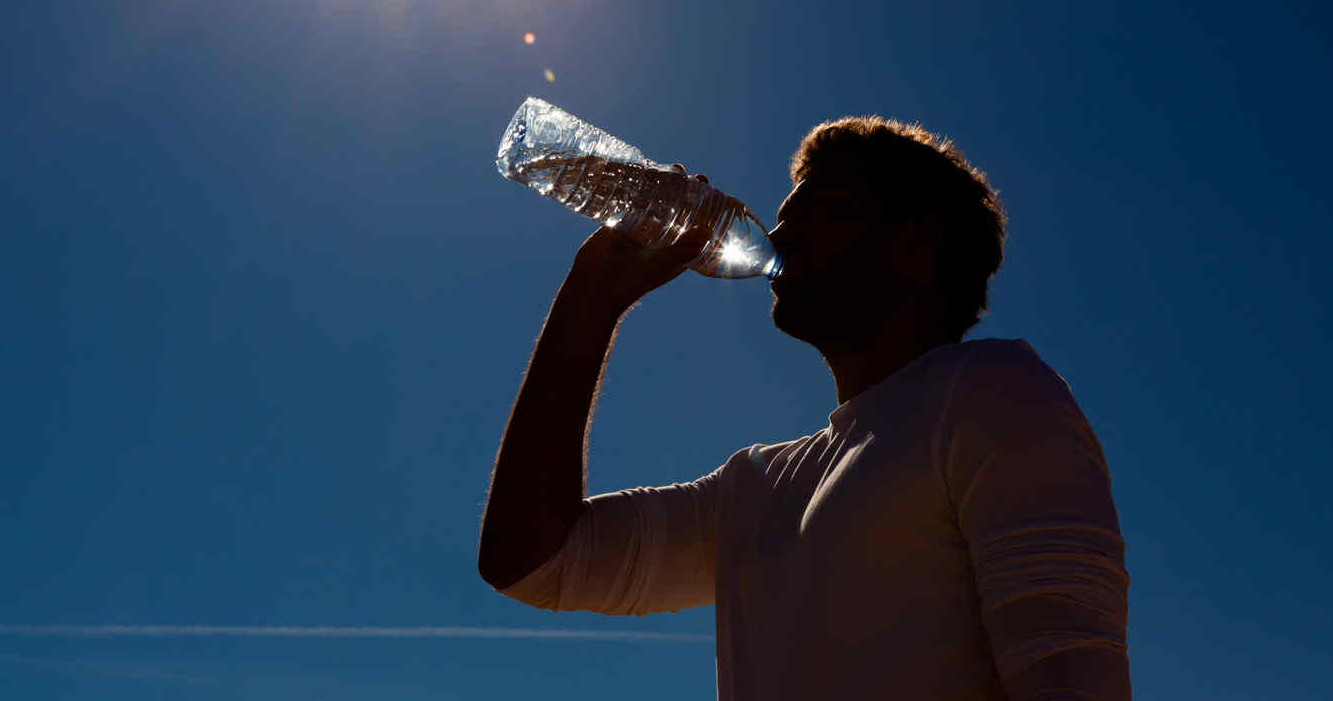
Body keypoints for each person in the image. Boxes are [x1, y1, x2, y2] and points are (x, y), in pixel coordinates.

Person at [478, 116, 1130, 700]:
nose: (779, 230)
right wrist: (594, 293)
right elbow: (532, 561)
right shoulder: (750, 489)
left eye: (817, 209)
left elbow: (1071, 678)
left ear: (914, 243)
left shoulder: (994, 390)